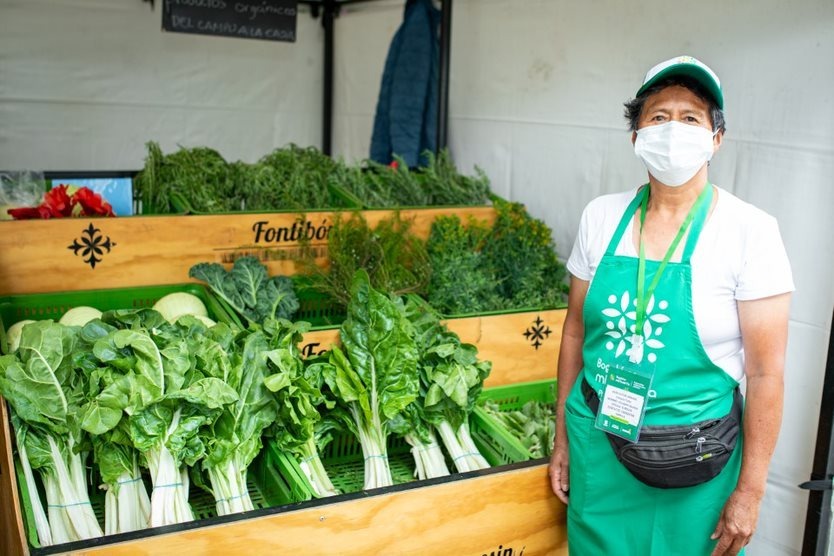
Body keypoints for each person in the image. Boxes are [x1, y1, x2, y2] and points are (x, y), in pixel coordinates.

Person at [548, 55, 794, 555]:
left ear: (716, 137)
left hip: (697, 459)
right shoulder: (602, 216)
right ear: (636, 136)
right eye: (658, 117)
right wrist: (562, 440)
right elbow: (575, 332)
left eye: (691, 118)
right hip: (600, 445)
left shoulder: (750, 232)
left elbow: (767, 373)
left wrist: (750, 491)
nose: (673, 129)